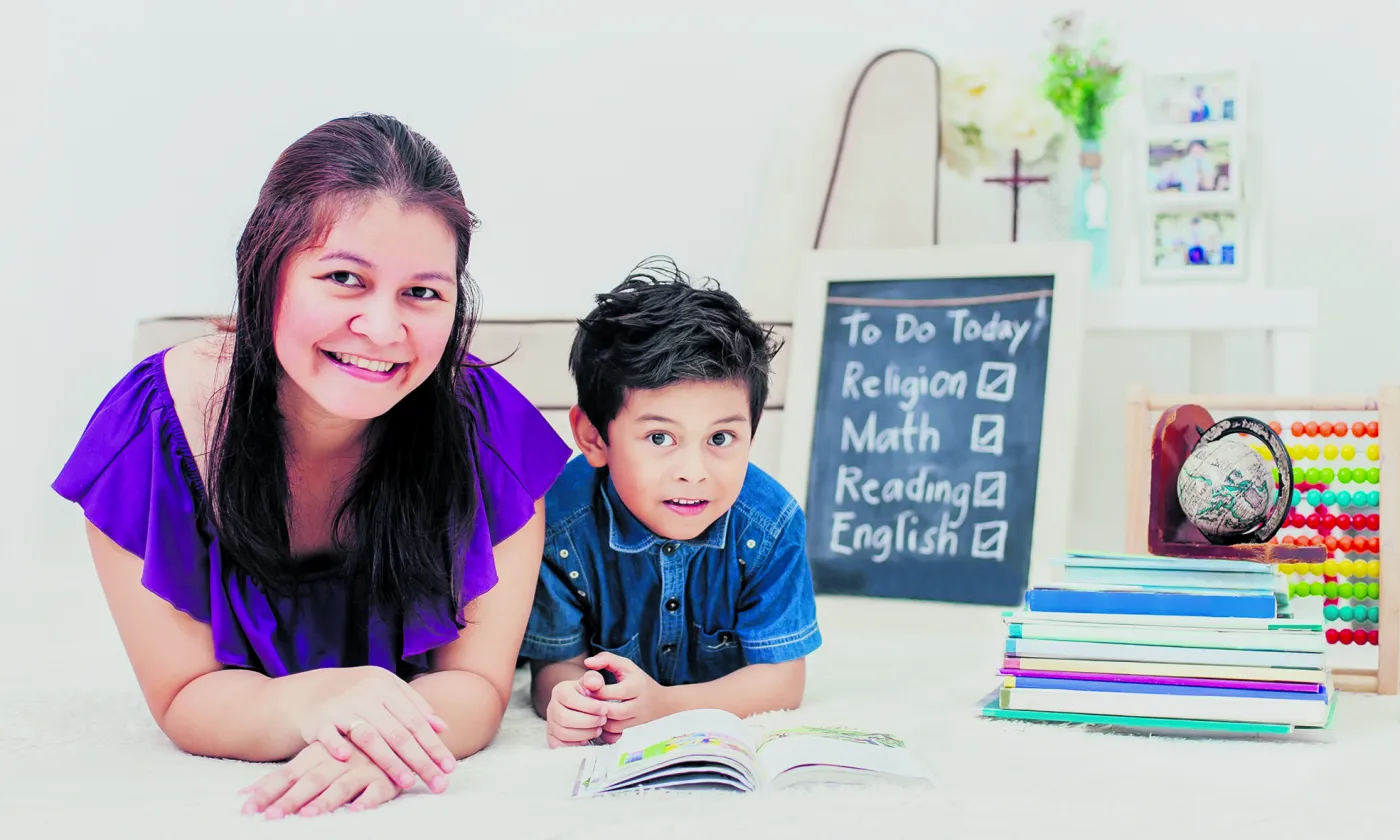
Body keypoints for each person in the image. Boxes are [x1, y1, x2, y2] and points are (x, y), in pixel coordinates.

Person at [51, 114, 571, 817]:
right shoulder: (152, 430)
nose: (383, 331)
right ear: (266, 274)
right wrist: (320, 701)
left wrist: (384, 745)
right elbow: (182, 695)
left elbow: (478, 688)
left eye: (422, 292)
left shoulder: (491, 434)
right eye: (344, 278)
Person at [517, 258, 822, 748]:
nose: (695, 471)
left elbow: (783, 682)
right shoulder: (560, 526)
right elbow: (555, 665)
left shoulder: (770, 524)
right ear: (594, 438)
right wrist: (577, 699)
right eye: (660, 437)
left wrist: (666, 706)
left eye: (721, 438)